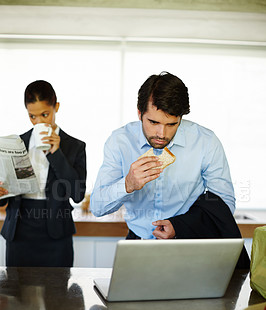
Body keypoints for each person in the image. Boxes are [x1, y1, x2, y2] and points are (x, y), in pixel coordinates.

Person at [90, 71, 249, 267]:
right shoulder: (119, 141)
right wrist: (127, 184)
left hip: (189, 246)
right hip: (137, 246)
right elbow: (97, 207)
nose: (161, 134)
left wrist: (180, 226)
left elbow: (224, 203)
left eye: (172, 124)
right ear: (140, 114)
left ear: (180, 118)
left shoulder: (206, 142)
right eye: (153, 122)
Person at [0, 80, 86, 267]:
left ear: (56, 107)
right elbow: (4, 199)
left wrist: (56, 154)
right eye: (32, 116)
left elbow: (78, 194)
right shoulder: (17, 143)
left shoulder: (75, 147)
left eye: (45, 114)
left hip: (55, 235)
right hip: (19, 232)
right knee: (16, 293)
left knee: (57, 294)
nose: (38, 122)